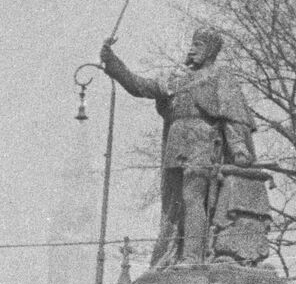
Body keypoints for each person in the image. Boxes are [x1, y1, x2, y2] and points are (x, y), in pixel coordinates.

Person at [99, 29, 259, 267]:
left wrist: (238, 148)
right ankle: (172, 254)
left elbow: (233, 116)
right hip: (176, 142)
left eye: (199, 45)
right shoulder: (176, 79)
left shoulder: (220, 78)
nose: (192, 49)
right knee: (174, 203)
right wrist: (111, 60)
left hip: (202, 140)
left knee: (193, 197)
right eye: (192, 44)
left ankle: (192, 257)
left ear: (211, 50)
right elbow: (139, 86)